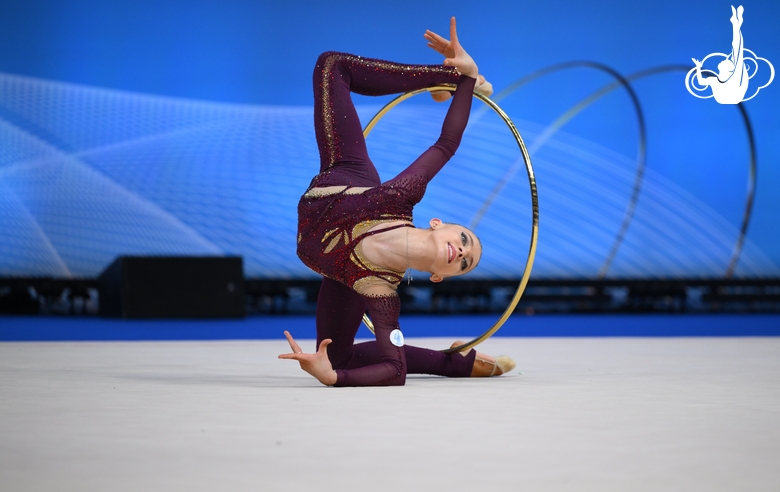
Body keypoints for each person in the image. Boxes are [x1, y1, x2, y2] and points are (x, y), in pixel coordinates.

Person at [279, 17, 515, 386]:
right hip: (345, 175)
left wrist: (334, 377)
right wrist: (465, 79)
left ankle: (457, 363)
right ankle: (446, 80)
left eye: (465, 263)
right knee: (331, 66)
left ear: (440, 276)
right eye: (465, 239)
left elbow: (395, 370)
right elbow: (446, 143)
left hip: (343, 275)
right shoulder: (398, 198)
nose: (462, 251)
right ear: (439, 223)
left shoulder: (379, 290)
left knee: (338, 355)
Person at [692, 5, 748, 104]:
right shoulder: (713, 80)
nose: (724, 59)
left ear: (728, 68)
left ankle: (736, 24)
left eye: (726, 61)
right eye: (726, 60)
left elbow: (737, 49)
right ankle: (736, 24)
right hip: (726, 97)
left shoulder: (733, 77)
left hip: (734, 94)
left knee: (737, 51)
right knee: (737, 53)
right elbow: (701, 82)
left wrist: (736, 26)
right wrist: (698, 67)